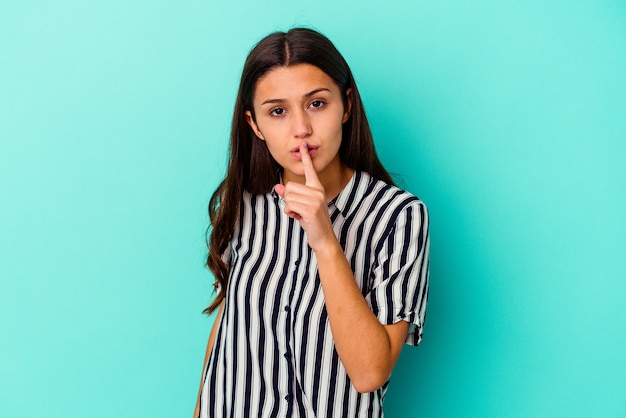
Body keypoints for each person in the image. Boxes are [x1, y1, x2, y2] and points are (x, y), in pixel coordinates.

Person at [194, 27, 429, 418]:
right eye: (278, 111)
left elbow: (370, 373)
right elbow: (228, 324)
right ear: (255, 126)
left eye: (317, 104)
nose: (301, 128)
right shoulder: (244, 203)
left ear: (346, 105)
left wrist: (324, 239)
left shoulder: (397, 217)